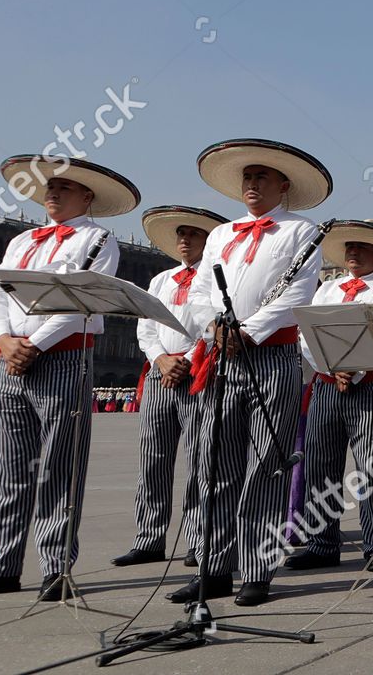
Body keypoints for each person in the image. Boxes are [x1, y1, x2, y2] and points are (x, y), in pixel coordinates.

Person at [0, 157, 135, 600]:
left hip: (63, 358)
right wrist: (3, 338)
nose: (51, 194)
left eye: (64, 188)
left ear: (87, 196)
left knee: (59, 466)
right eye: (48, 188)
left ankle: (57, 568)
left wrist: (34, 344)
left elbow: (82, 301)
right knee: (8, 467)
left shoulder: (97, 238)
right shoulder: (20, 240)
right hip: (12, 357)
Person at [167, 139, 332, 608]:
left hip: (270, 356)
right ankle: (213, 566)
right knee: (216, 463)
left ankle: (257, 569)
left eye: (262, 177)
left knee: (264, 465)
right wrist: (214, 327)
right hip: (220, 354)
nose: (253, 184)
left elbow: (298, 293)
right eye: (247, 178)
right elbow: (200, 290)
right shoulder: (221, 234)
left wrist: (249, 330)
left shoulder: (303, 231)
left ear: (283, 185)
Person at [284, 219, 373, 573]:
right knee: (319, 465)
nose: (353, 253)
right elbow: (305, 334)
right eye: (349, 247)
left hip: (369, 385)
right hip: (327, 384)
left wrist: (354, 369)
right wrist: (331, 367)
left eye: (361, 247)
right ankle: (322, 542)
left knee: (371, 468)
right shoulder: (328, 289)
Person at [113, 205, 227, 570]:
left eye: (192, 233)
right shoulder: (161, 280)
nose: (183, 239)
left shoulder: (216, 280)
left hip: (198, 373)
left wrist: (188, 359)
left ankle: (198, 539)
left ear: (208, 240)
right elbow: (145, 327)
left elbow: (215, 327)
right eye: (180, 233)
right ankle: (148, 537)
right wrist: (161, 358)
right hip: (161, 373)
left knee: (200, 460)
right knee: (153, 459)